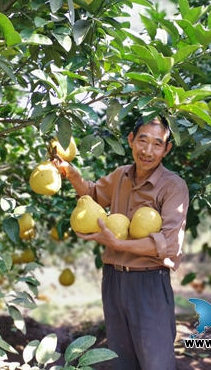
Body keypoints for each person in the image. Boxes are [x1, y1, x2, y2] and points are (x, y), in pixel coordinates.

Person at [55, 116, 189, 370]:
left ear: (166, 149)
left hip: (149, 283)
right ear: (131, 140)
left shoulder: (174, 187)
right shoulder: (120, 176)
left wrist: (117, 244)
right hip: (114, 280)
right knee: (121, 359)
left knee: (155, 362)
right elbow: (92, 195)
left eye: (157, 144)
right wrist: (72, 174)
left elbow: (170, 245)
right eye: (142, 141)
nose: (148, 151)